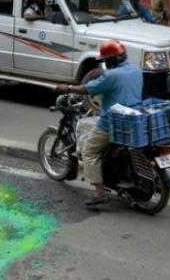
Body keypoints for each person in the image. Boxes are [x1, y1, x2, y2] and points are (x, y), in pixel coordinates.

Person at [55, 40, 143, 207]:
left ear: (112, 60)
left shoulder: (111, 76)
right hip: (134, 118)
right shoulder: (136, 70)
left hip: (112, 121)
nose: (105, 64)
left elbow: (87, 89)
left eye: (106, 61)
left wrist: (67, 88)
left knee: (89, 152)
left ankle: (100, 193)